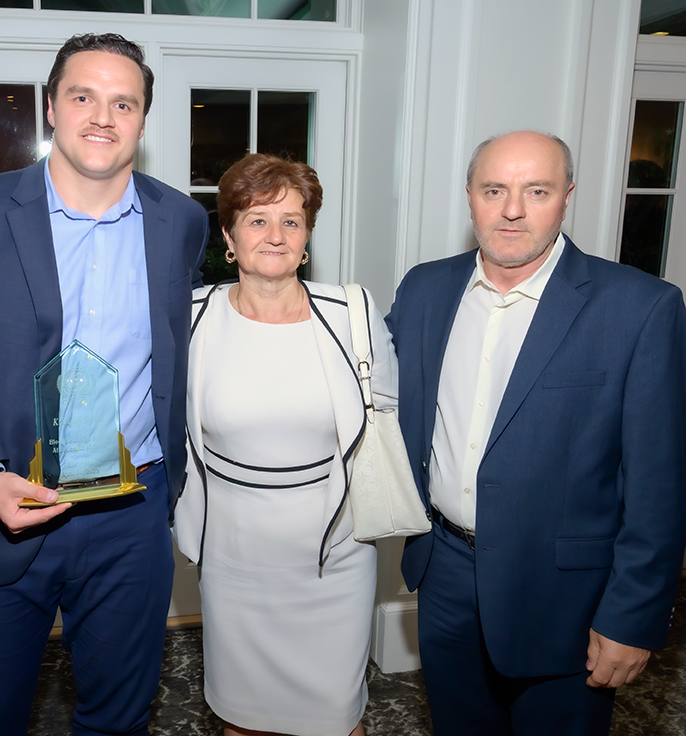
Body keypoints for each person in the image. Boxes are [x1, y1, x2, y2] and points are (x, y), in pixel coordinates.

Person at [0, 33, 209, 735]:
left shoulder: (180, 222)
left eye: (122, 102)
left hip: (132, 514)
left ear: (141, 118)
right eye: (83, 96)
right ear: (50, 107)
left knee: (119, 717)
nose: (102, 116)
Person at [386, 130, 686, 735]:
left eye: (537, 190)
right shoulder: (425, 289)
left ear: (567, 197)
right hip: (444, 572)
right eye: (494, 189)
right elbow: (364, 384)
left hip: (565, 596)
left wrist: (632, 617)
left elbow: (659, 485)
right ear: (469, 195)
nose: (512, 209)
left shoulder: (640, 307)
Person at [173, 153, 393, 736]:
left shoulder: (353, 312)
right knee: (243, 720)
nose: (275, 236)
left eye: (291, 221)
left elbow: (388, 418)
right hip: (235, 561)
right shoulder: (190, 317)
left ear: (308, 235)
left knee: (338, 717)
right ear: (228, 234)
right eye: (257, 220)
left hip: (334, 559)